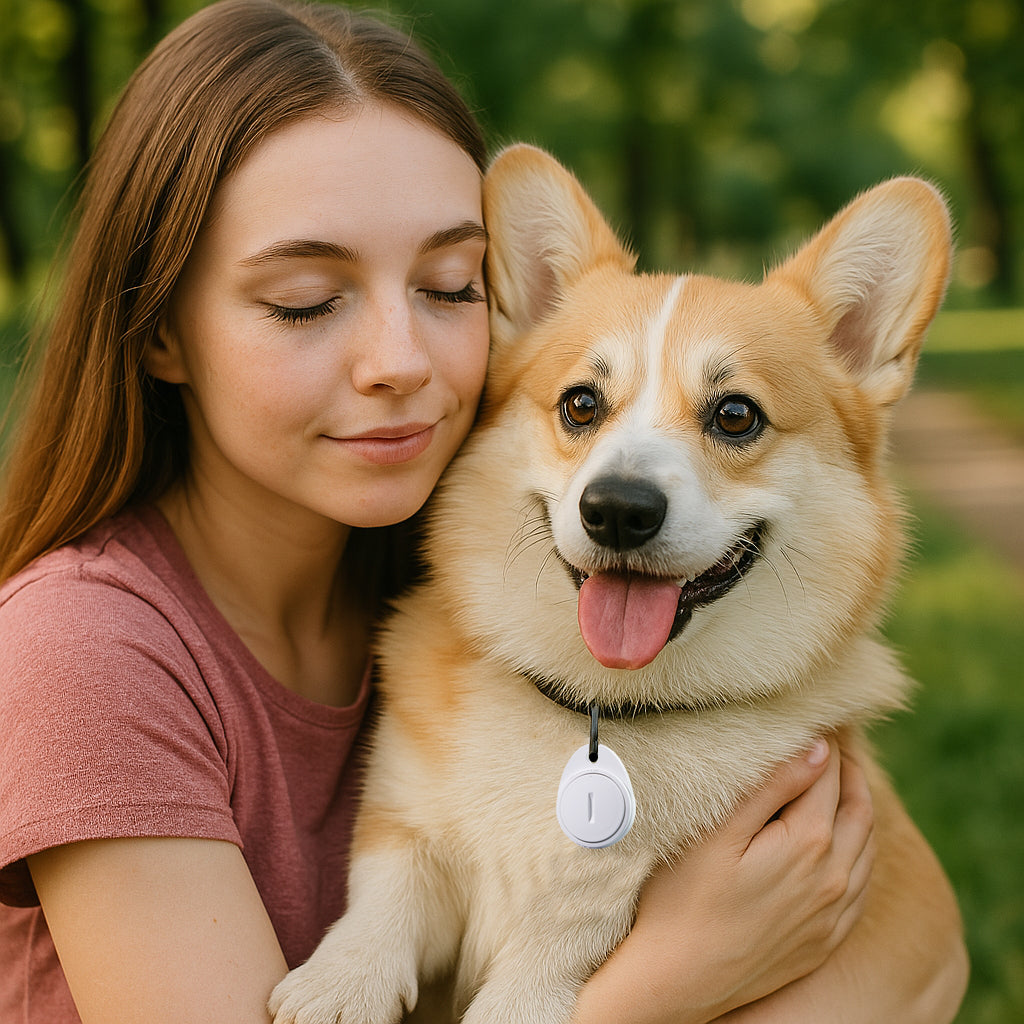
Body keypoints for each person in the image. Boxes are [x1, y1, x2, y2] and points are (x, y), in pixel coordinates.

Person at [0, 1, 967, 1022]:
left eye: (452, 285)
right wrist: (660, 986)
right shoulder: (86, 657)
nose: (400, 362)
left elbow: (927, 960)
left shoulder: (419, 578)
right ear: (158, 330)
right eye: (304, 298)